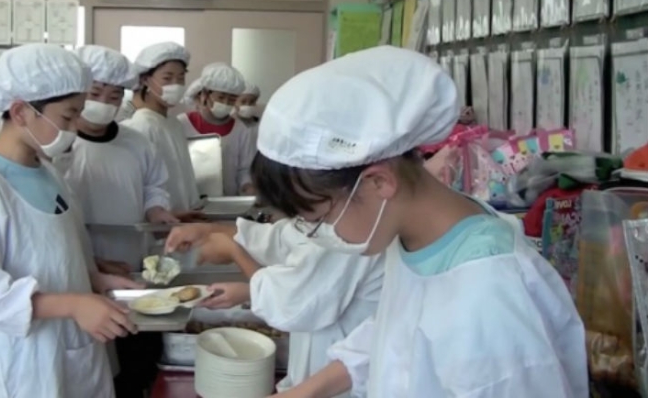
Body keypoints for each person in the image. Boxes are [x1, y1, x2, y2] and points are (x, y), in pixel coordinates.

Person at [244, 46, 586, 398]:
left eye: (317, 221)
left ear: (379, 183)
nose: (318, 237)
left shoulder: (487, 290)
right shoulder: (418, 234)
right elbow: (395, 336)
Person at [0, 44, 141, 398]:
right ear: (20, 111)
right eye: (66, 117)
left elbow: (56, 249)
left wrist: (95, 276)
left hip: (71, 348)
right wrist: (75, 304)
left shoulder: (47, 170)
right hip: (22, 360)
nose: (75, 126)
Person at [165, 220, 383, 397]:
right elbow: (283, 237)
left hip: (341, 379)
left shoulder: (352, 228)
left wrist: (235, 253)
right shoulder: (327, 215)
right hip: (320, 377)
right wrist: (209, 230)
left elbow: (294, 304)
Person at [62, 45, 179, 273]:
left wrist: (155, 209)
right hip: (79, 258)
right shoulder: (61, 144)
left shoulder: (138, 143)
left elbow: (154, 185)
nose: (104, 103)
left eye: (114, 96)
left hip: (131, 255)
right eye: (95, 94)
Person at [123, 42, 202, 213]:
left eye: (181, 78)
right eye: (167, 78)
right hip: (159, 225)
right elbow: (142, 187)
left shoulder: (174, 124)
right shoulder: (140, 125)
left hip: (182, 220)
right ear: (145, 80)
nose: (176, 84)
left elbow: (184, 177)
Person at [177, 63, 255, 196]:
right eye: (221, 97)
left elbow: (245, 170)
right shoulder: (181, 124)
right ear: (204, 95)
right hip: (189, 201)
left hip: (228, 201)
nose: (225, 103)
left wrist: (247, 187)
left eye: (231, 100)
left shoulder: (240, 129)